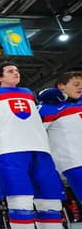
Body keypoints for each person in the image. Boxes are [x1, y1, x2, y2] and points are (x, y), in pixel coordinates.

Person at [0, 62, 81, 229]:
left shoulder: (28, 93)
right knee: (20, 201)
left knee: (50, 202)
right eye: (10, 71)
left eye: (17, 70)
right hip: (8, 151)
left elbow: (42, 119)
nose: (16, 72)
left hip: (40, 150)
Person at [38, 72, 82, 204]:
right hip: (75, 162)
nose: (80, 87)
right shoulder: (50, 109)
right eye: (76, 84)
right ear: (61, 87)